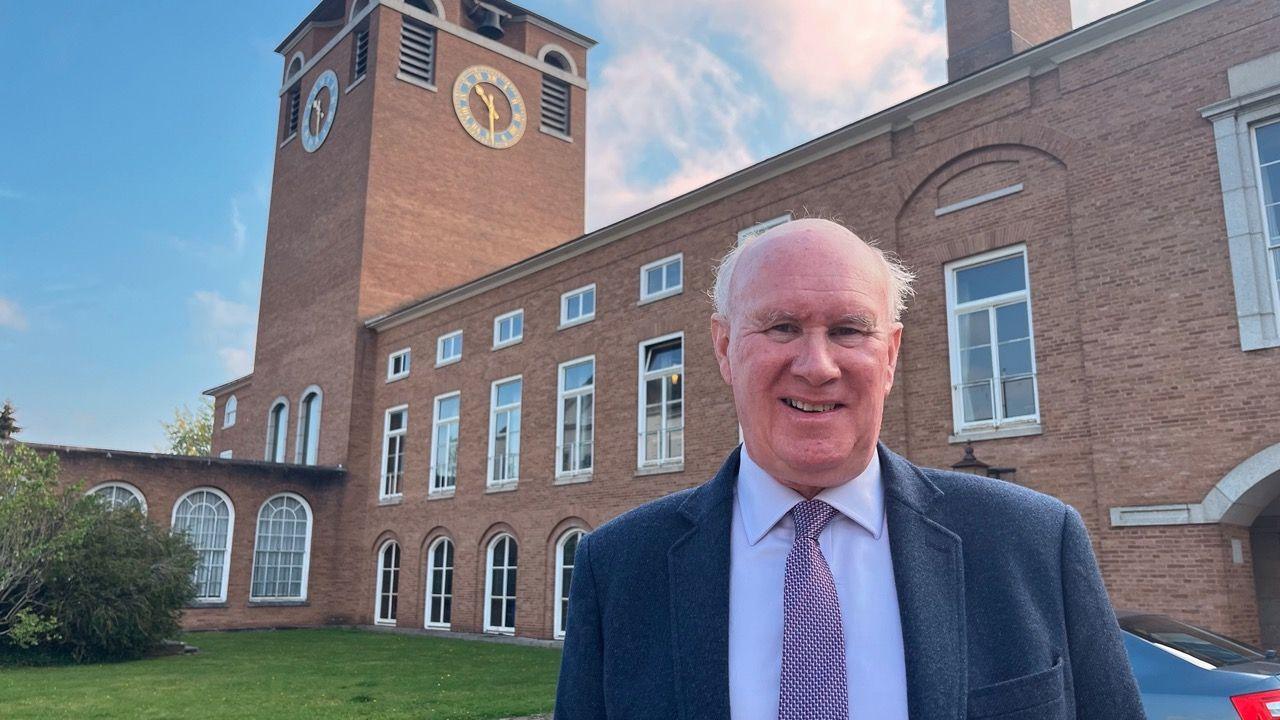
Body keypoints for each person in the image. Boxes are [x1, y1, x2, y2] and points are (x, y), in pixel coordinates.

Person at [554, 218, 1145, 719]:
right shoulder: (620, 567)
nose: (817, 366)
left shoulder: (1036, 542)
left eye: (848, 330)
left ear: (889, 355)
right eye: (782, 326)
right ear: (724, 348)